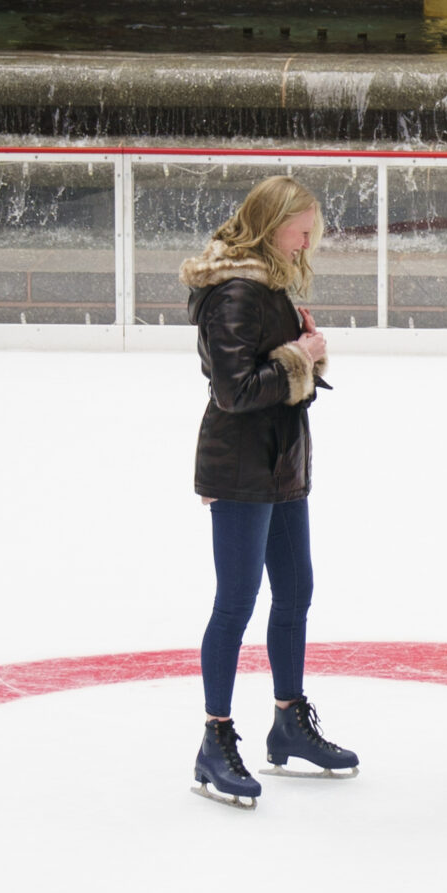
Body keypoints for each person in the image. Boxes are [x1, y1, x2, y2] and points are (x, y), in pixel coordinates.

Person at [182, 174, 361, 809]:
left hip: (280, 462)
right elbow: (234, 391)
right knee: (235, 602)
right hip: (240, 466)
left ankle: (288, 723)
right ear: (272, 223)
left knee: (295, 591)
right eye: (302, 229)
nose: (309, 241)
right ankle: (215, 739)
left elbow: (275, 367)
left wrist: (303, 352)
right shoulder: (236, 290)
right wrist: (300, 356)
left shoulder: (271, 282)